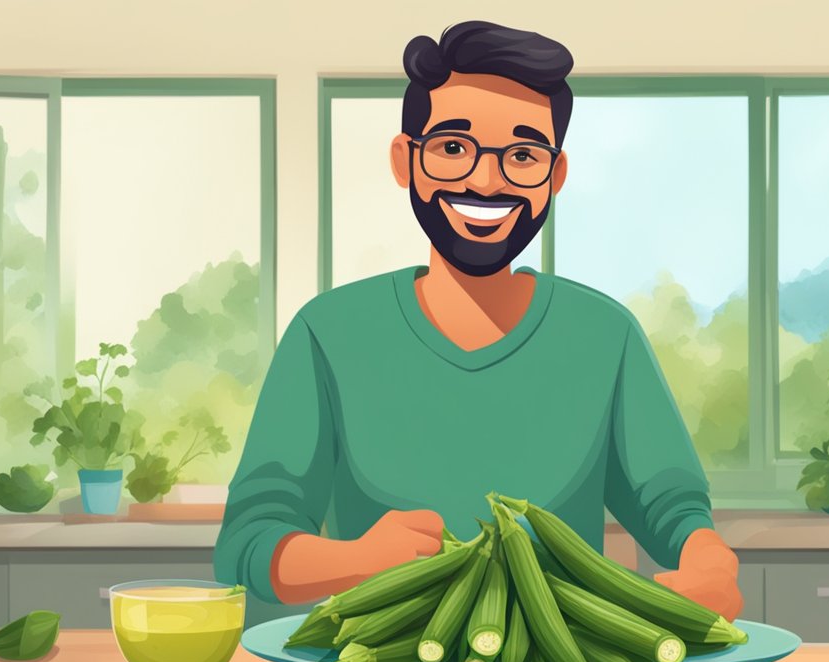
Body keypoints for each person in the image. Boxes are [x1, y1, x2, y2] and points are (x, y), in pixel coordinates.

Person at [214, 20, 743, 621]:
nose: (485, 182)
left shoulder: (605, 336)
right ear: (405, 160)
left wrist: (712, 565)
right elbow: (247, 543)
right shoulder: (328, 334)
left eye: (522, 156)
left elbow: (674, 511)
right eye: (453, 148)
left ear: (555, 176)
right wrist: (354, 560)